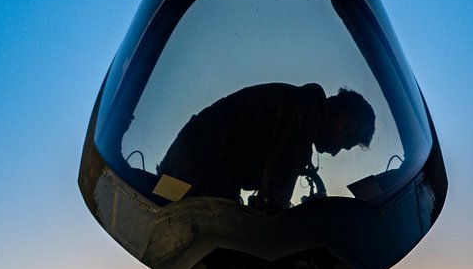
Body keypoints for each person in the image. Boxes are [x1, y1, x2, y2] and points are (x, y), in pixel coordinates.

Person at [157, 83, 375, 214]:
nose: (335, 152)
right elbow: (278, 183)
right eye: (345, 142)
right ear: (343, 121)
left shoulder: (300, 106)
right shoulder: (304, 112)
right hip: (194, 174)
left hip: (181, 172)